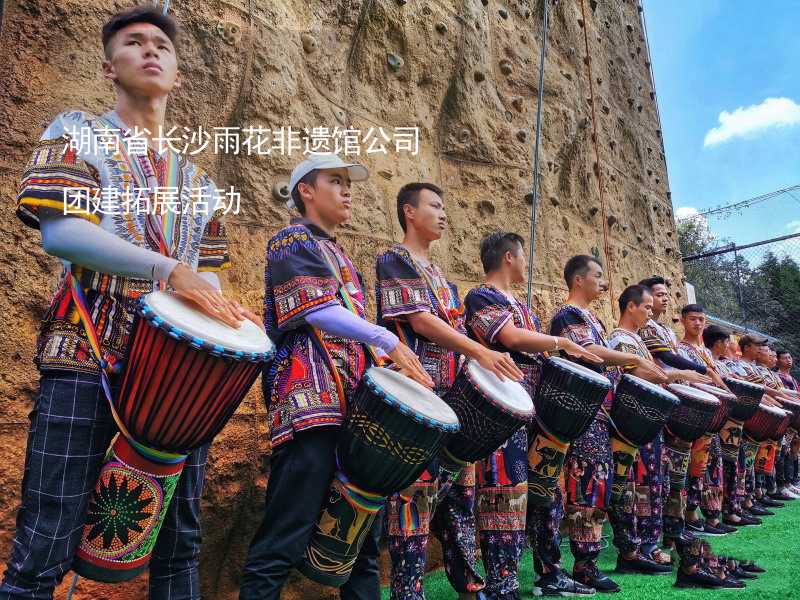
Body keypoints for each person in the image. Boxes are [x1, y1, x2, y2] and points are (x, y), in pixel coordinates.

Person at [1, 7, 261, 598]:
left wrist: (229, 323)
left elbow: (209, 280)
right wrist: (171, 270)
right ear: (108, 66)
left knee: (179, 545)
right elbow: (60, 233)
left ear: (177, 73)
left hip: (176, 379)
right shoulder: (75, 132)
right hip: (86, 356)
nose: (150, 51)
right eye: (134, 42)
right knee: (46, 537)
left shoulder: (198, 182)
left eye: (161, 46)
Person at [239, 154, 432, 600]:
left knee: (361, 536)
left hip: (349, 406)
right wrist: (386, 340)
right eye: (336, 181)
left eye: (349, 183)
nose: (347, 191)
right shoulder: (290, 240)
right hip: (310, 404)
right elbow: (315, 310)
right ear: (306, 190)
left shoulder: (339, 252)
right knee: (285, 533)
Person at [376, 184, 523, 600]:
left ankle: (469, 586)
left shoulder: (443, 277)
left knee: (460, 495)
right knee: (415, 496)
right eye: (434, 206)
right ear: (409, 212)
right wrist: (480, 351)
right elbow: (420, 321)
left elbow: (452, 328)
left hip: (453, 400)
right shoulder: (394, 259)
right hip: (418, 398)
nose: (443, 215)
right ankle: (409, 592)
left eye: (444, 207)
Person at [463, 233, 601, 598]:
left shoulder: (522, 306)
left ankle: (549, 573)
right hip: (501, 414)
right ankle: (501, 585)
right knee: (503, 497)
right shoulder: (481, 296)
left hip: (532, 415)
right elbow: (511, 339)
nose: (526, 263)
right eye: (523, 256)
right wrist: (561, 343)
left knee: (545, 495)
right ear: (509, 258)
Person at [548, 256, 663, 593]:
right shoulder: (567, 315)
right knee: (587, 487)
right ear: (578, 280)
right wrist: (634, 357)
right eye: (597, 275)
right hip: (581, 413)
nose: (603, 282)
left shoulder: (591, 318)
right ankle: (583, 566)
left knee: (599, 488)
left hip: (599, 415)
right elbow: (587, 352)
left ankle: (597, 560)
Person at [606, 286, 710, 582]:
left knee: (652, 485)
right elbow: (637, 374)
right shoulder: (620, 338)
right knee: (633, 487)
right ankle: (633, 551)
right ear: (630, 307)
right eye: (647, 308)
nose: (650, 313)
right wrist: (679, 375)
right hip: (630, 425)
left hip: (646, 421)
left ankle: (647, 545)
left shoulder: (635, 340)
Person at [675, 305, 735, 536]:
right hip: (695, 412)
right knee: (696, 465)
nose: (697, 323)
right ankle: (691, 513)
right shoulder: (681, 349)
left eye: (701, 319)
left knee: (711, 465)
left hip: (713, 414)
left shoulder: (706, 352)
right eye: (692, 319)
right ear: (682, 321)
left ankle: (712, 515)